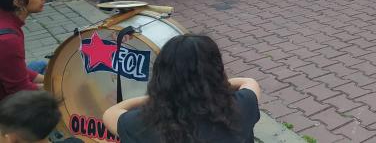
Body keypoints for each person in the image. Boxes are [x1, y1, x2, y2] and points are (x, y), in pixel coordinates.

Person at [103, 35, 262, 143]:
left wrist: (158, 98)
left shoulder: (144, 124)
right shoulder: (242, 106)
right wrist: (215, 88)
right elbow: (249, 82)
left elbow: (110, 113)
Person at [0, 0, 47, 101]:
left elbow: (15, 69)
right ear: (18, 2)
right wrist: (56, 87)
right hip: (7, 102)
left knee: (43, 65)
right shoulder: (8, 39)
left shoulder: (7, 20)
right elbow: (19, 89)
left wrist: (49, 80)